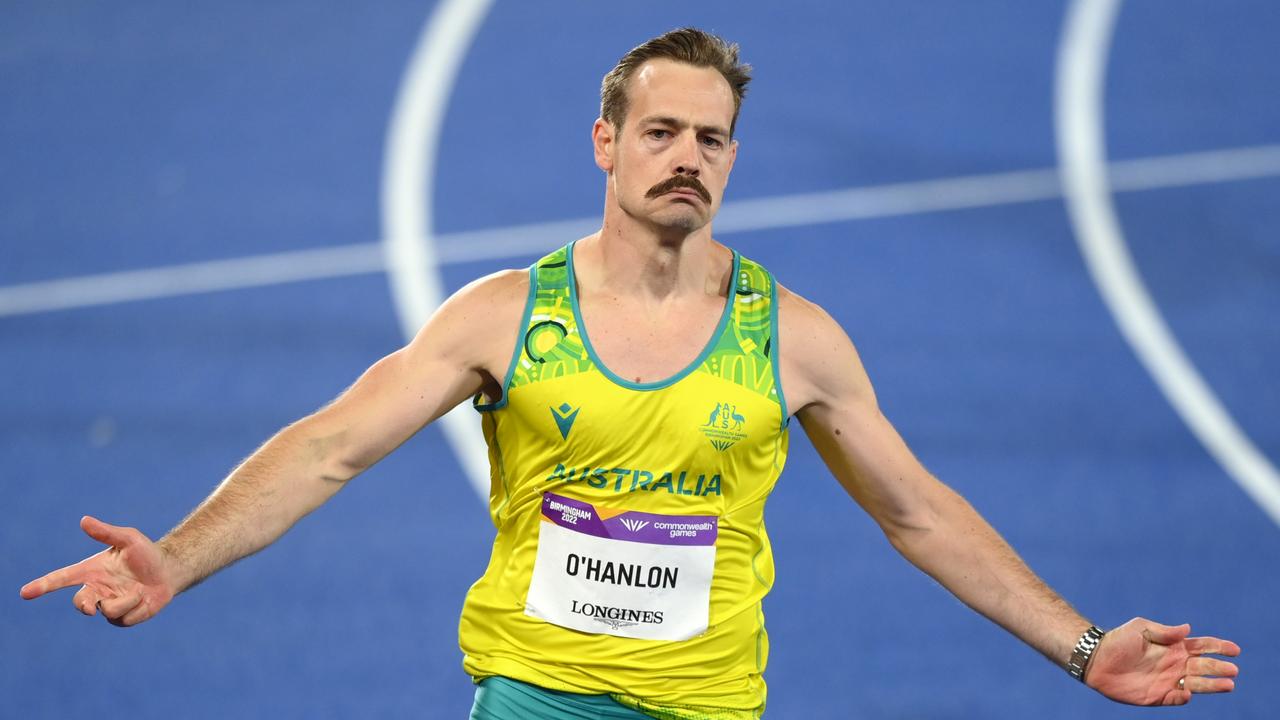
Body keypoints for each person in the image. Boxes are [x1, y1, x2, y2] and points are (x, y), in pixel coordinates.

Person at [20, 28, 1240, 720]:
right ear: (605, 143)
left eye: (711, 138)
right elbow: (330, 445)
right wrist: (175, 555)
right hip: (536, 696)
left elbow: (917, 514)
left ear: (732, 159)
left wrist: (1082, 649)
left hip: (708, 706)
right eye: (659, 132)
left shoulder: (795, 337)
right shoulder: (504, 317)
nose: (686, 158)